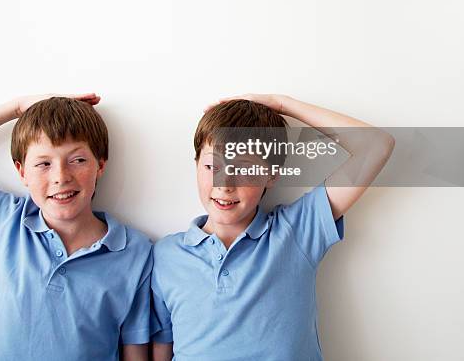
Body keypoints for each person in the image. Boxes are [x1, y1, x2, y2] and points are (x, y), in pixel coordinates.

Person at [0, 93, 151, 361]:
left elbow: (134, 350)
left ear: (100, 165)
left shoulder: (134, 252)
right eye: (44, 164)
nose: (61, 177)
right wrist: (14, 108)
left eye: (77, 160)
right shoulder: (0, 219)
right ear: (22, 172)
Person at [151, 94, 395, 361]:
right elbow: (163, 344)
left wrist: (282, 104)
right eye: (212, 165)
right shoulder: (166, 255)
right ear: (196, 164)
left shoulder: (297, 231)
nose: (225, 183)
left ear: (272, 175)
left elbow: (376, 145)